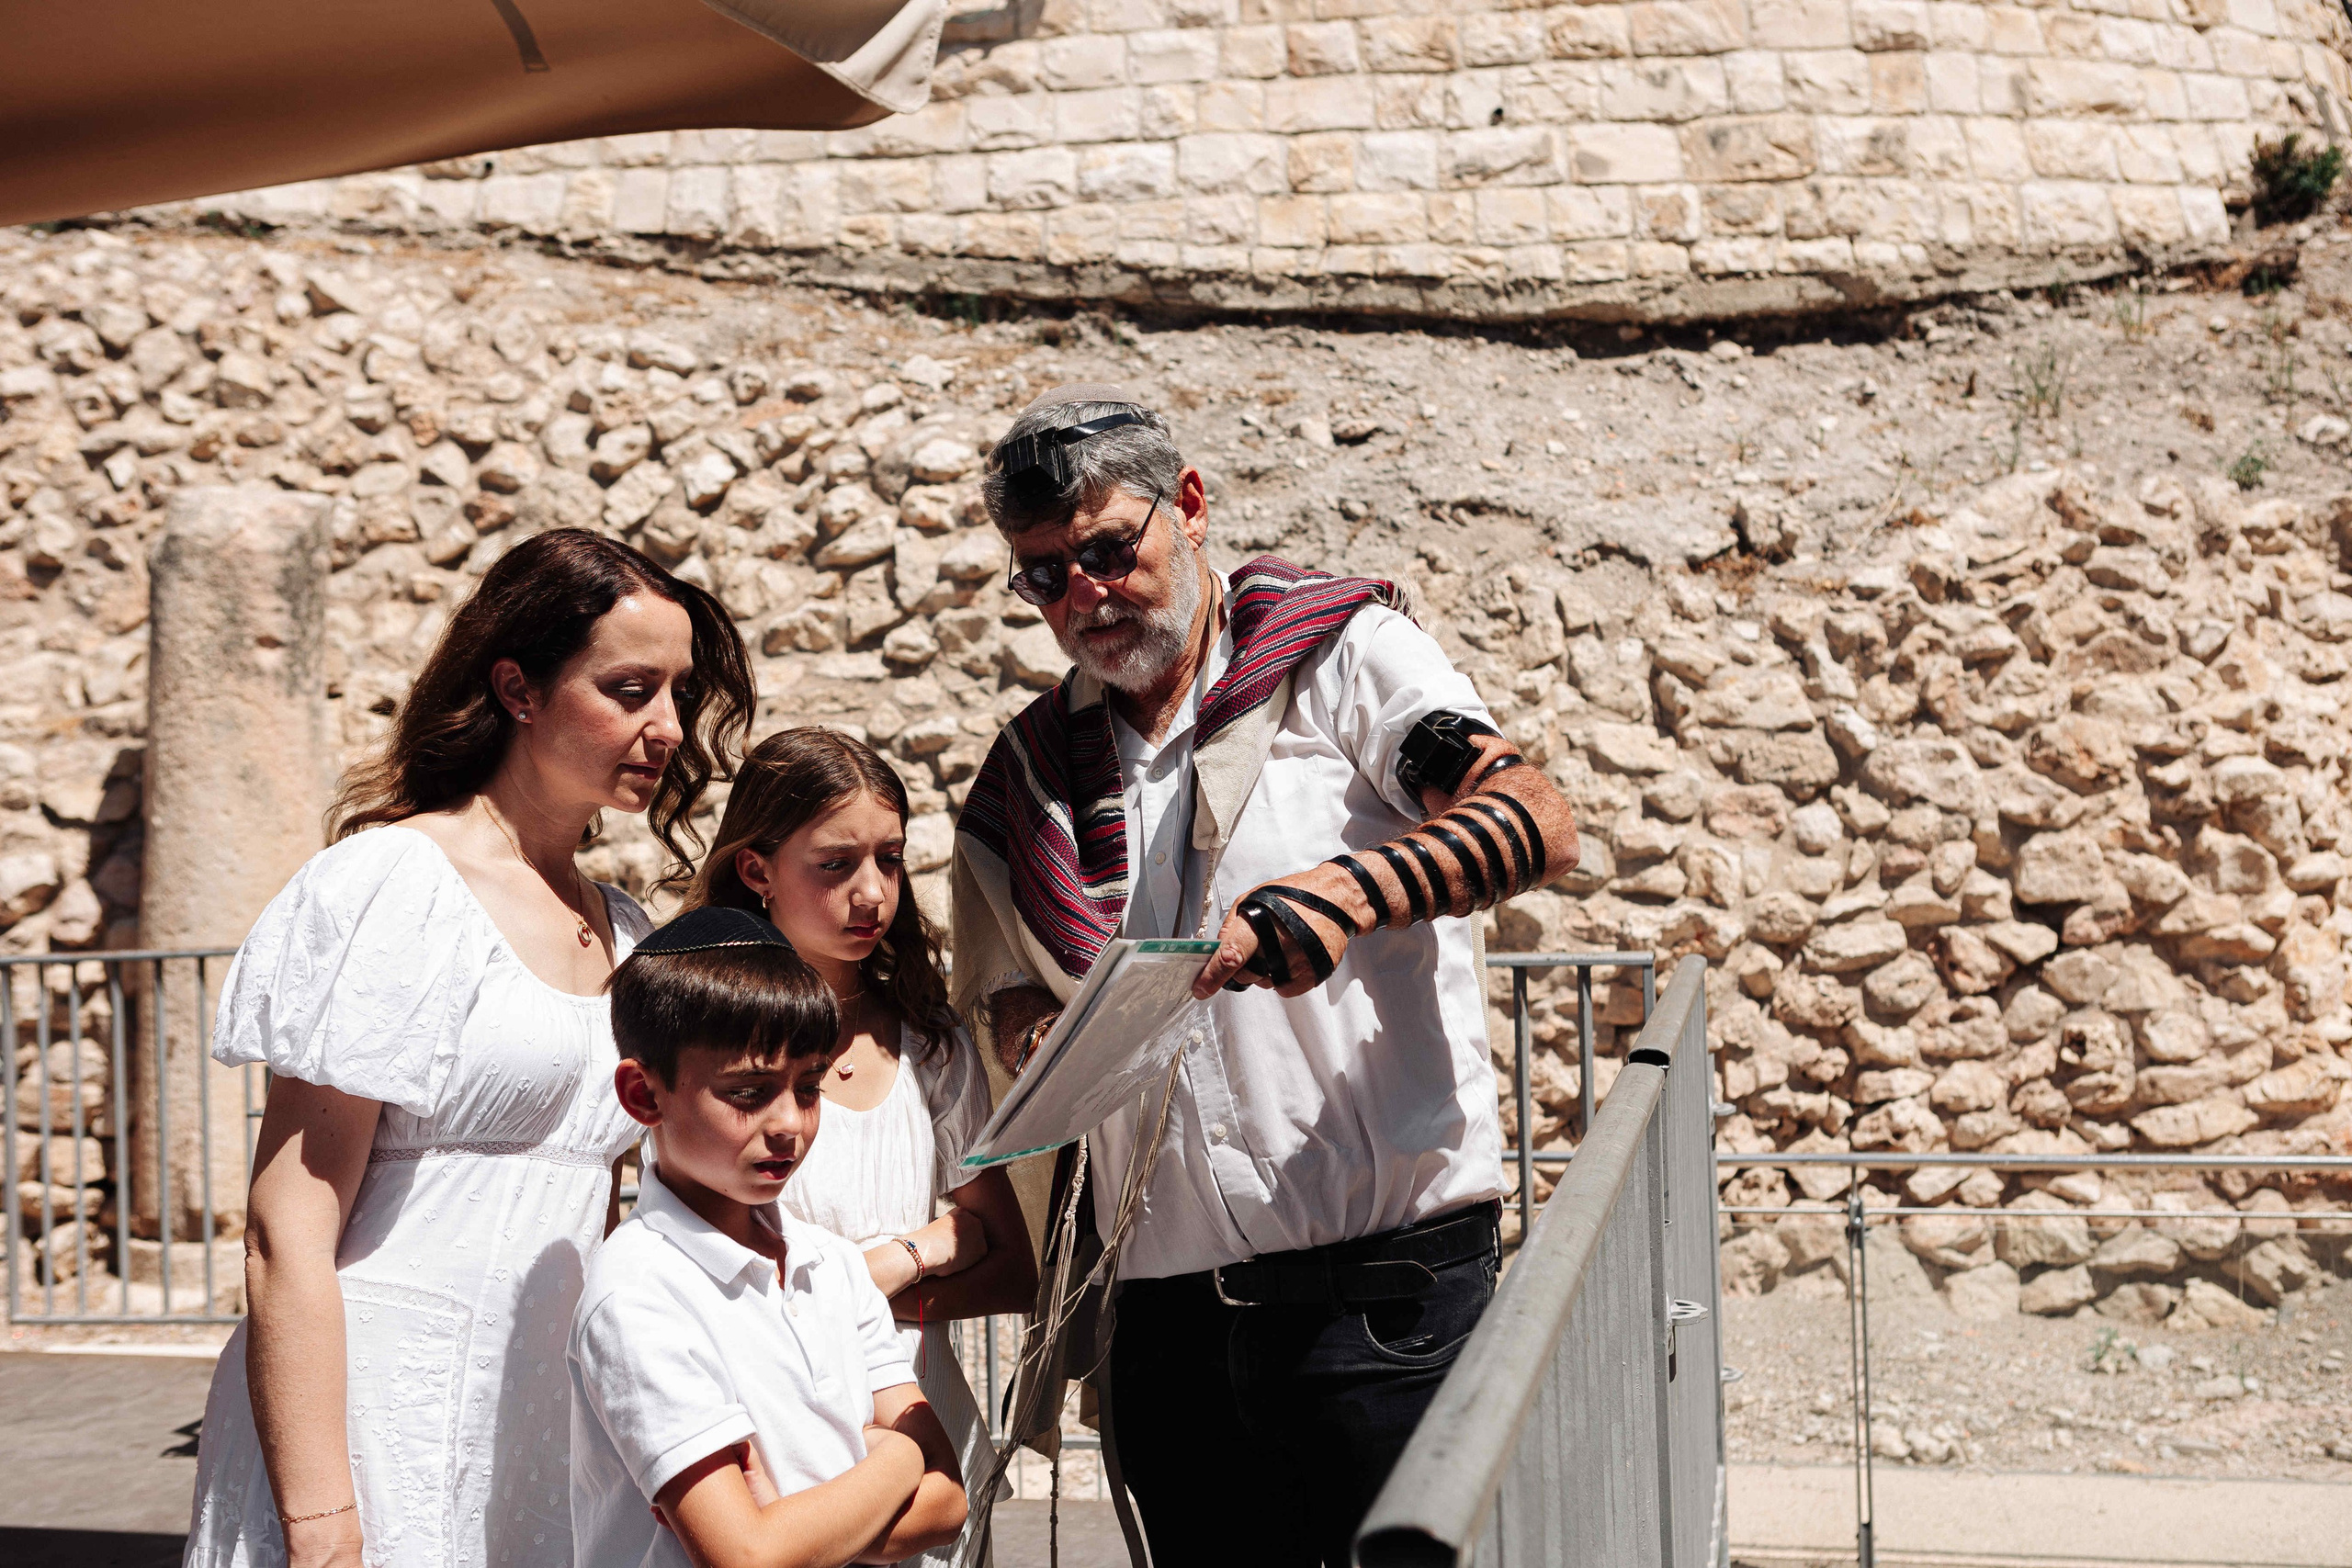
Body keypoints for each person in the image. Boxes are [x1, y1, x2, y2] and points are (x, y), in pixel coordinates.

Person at [950, 386, 1584, 1567]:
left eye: (1108, 550)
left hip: (1385, 1308)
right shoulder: (1029, 778)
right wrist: (1041, 1037)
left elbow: (1535, 820)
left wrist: (1349, 893)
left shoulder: (1339, 659)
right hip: (1169, 1338)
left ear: (1188, 506)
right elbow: (1008, 997)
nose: (1085, 595)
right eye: (1044, 575)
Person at [185, 527, 756, 1568]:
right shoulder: (392, 886)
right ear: (518, 688)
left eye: (680, 694)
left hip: (543, 1428)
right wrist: (321, 1526)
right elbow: (284, 1232)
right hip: (370, 1421)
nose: (669, 728)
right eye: (631, 690)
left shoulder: (629, 932)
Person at [694, 728, 1036, 1565]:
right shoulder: (705, 1046)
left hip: (925, 1426)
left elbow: (1011, 1266)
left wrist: (853, 1300)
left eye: (890, 858)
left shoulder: (933, 1044)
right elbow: (716, 1286)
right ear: (757, 869)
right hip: (776, 1434)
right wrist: (916, 1252)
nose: (873, 892)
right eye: (835, 864)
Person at [571, 904, 967, 1568]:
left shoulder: (833, 1266)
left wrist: (793, 1527)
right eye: (749, 1091)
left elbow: (948, 1501)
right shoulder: (638, 1294)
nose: (789, 1122)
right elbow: (748, 1556)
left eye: (808, 1087)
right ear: (644, 1094)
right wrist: (901, 1454)